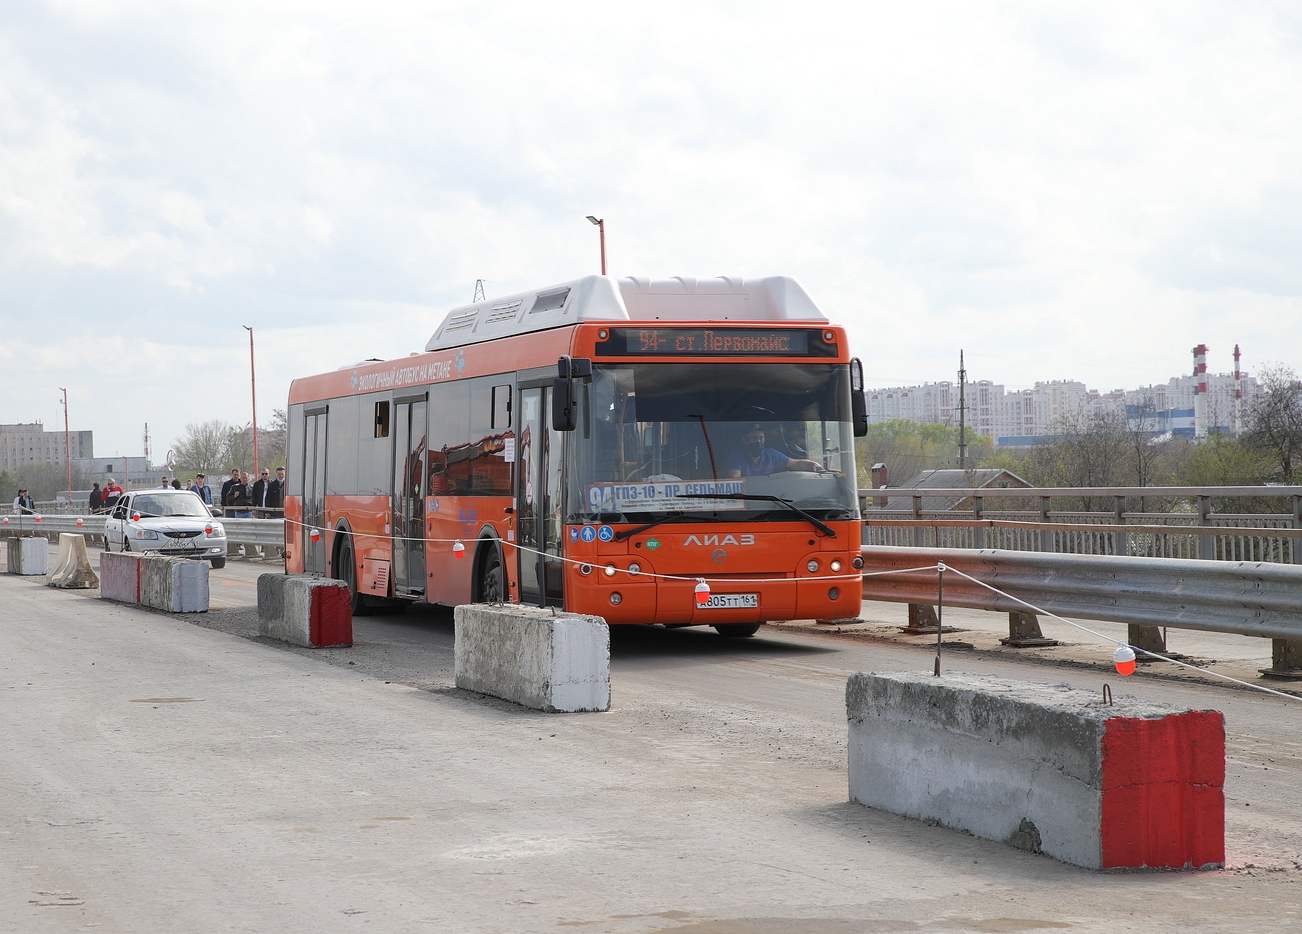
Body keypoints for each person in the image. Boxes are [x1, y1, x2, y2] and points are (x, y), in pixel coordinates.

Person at [723, 424, 824, 478]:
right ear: (745, 440)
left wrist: (814, 465)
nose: (758, 441)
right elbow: (735, 479)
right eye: (754, 438)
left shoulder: (771, 454)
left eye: (761, 438)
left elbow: (797, 464)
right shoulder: (736, 456)